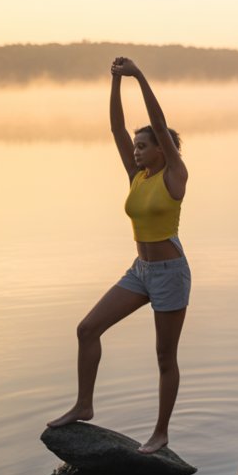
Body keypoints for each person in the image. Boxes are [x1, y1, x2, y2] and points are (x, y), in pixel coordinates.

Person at [47, 57, 190, 454]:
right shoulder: (137, 175)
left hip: (170, 273)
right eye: (137, 147)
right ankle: (84, 404)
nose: (137, 151)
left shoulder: (174, 175)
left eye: (144, 146)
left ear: (162, 150)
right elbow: (116, 127)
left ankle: (160, 433)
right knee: (87, 329)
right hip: (140, 271)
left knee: (165, 356)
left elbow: (159, 124)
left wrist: (139, 75)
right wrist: (115, 81)